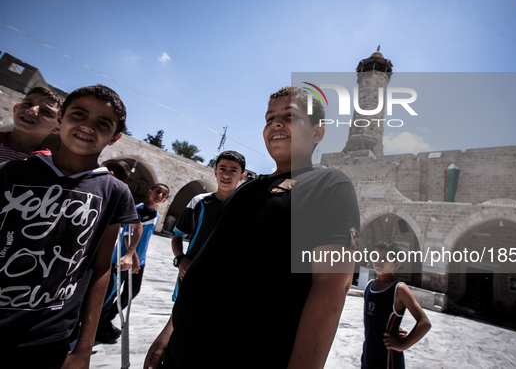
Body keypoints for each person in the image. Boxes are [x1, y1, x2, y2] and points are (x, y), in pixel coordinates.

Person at [144, 86, 360, 369]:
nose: (276, 123)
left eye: (289, 116)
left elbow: (331, 286)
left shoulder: (329, 185)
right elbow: (207, 267)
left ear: (318, 132)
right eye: (269, 118)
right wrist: (168, 332)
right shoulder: (244, 192)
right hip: (182, 353)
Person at [0, 84, 137, 368]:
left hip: (48, 337)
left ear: (115, 137)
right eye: (79, 114)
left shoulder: (113, 192)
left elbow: (101, 267)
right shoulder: (14, 172)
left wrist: (84, 347)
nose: (88, 127)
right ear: (60, 118)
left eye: (103, 123)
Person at [96, 183, 170, 344]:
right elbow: (127, 235)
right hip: (124, 259)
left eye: (163, 195)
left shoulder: (155, 214)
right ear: (150, 192)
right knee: (111, 293)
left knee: (132, 292)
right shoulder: (138, 210)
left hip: (139, 260)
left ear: (165, 200)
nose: (159, 195)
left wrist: (140, 259)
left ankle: (107, 318)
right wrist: (134, 258)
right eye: (157, 191)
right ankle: (99, 325)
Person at [171, 150, 245, 301]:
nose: (226, 175)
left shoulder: (245, 208)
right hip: (190, 275)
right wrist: (181, 260)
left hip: (220, 283)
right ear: (215, 172)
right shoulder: (199, 202)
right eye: (222, 169)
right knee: (178, 319)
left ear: (241, 176)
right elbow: (177, 237)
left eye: (233, 171)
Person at [362, 241, 431, 369]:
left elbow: (424, 323)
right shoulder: (369, 286)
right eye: (375, 256)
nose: (379, 261)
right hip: (368, 357)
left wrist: (402, 345)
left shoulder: (399, 289)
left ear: (397, 264)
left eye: (385, 258)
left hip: (389, 360)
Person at [0, 86, 63, 162]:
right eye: (28, 104)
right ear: (16, 108)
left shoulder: (46, 165)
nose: (32, 110)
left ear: (58, 127)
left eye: (46, 111)